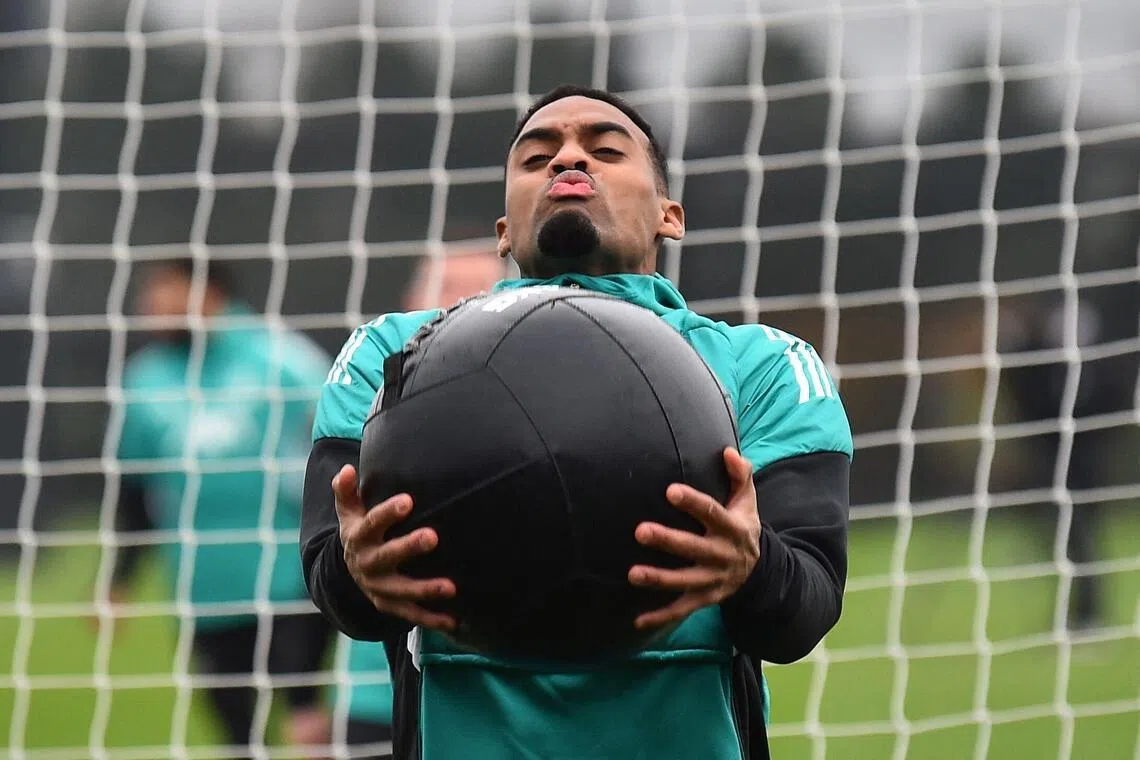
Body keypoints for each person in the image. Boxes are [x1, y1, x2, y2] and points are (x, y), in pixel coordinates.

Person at [301, 84, 853, 760]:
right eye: (536, 158)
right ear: (503, 231)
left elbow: (804, 611)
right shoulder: (393, 358)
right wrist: (358, 574)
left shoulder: (764, 365)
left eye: (605, 149)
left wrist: (753, 567)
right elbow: (334, 578)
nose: (568, 159)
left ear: (669, 216)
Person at [110, 258, 336, 758]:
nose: (150, 307)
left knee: (306, 715)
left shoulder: (282, 358)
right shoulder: (145, 380)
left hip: (288, 575)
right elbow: (135, 488)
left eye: (163, 291)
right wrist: (119, 579)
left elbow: (337, 445)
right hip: (204, 585)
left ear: (207, 292)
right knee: (236, 728)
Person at [336, 248, 506, 759]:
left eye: (482, 290)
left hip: (498, 688)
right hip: (375, 693)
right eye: (447, 286)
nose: (463, 303)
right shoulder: (367, 399)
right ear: (411, 301)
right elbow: (325, 549)